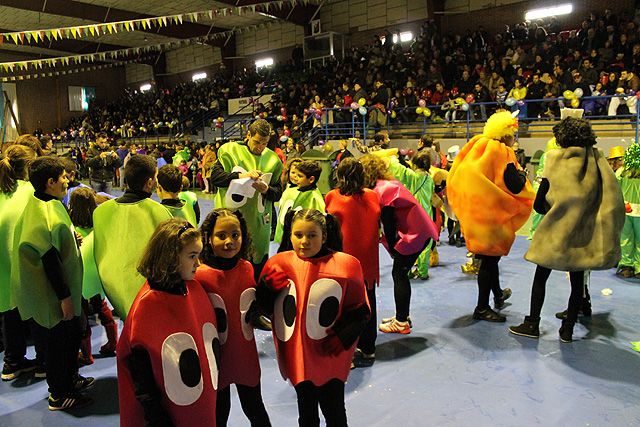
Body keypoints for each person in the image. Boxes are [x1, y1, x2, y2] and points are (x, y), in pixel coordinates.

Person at [509, 117, 624, 342]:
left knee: (541, 276)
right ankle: (568, 328)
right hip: (584, 236)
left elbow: (539, 204)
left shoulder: (555, 160)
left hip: (555, 234)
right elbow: (613, 201)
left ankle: (532, 323)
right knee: (576, 282)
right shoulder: (599, 163)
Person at [260, 209, 369, 427]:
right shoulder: (279, 264)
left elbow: (360, 309)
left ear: (324, 236)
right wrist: (267, 290)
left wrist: (343, 336)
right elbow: (262, 308)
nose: (304, 242)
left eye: (312, 235)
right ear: (289, 234)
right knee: (306, 411)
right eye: (298, 235)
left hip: (329, 355)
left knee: (334, 409)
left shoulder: (346, 265)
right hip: (298, 354)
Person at [117, 219, 219, 426]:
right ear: (171, 258)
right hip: (167, 414)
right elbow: (141, 375)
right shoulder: (148, 306)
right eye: (192, 256)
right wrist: (157, 418)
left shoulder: (193, 290)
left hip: (199, 404)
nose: (198, 264)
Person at [11, 156, 94, 411]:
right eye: (62, 177)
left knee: (71, 339)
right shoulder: (46, 213)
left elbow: (57, 240)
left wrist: (72, 237)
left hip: (58, 291)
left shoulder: (44, 203)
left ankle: (70, 379)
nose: (66, 180)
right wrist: (65, 297)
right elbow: (49, 261)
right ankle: (59, 394)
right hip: (52, 295)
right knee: (58, 345)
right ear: (50, 182)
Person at [448, 111, 535, 322]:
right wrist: (523, 174)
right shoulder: (502, 151)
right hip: (493, 214)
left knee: (489, 259)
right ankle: (481, 307)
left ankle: (497, 294)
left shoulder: (477, 145)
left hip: (478, 214)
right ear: (506, 134)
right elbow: (513, 183)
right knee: (489, 261)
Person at [196, 209, 271, 427]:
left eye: (235, 235)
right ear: (208, 239)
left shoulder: (247, 268)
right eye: (221, 236)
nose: (229, 241)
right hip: (215, 359)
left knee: (255, 408)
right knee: (219, 413)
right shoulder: (200, 276)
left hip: (245, 355)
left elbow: (252, 306)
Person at [360, 154, 439, 334]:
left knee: (399, 274)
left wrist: (396, 247)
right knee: (400, 274)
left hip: (414, 235)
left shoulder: (381, 190)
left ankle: (401, 321)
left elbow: (388, 222)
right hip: (420, 232)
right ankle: (402, 315)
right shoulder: (387, 184)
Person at [93, 154, 172, 318]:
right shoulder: (158, 211)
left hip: (113, 286)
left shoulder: (101, 211)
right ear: (150, 182)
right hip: (148, 292)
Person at [325, 158, 381, 367]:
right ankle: (368, 348)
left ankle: (346, 350)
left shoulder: (332, 197)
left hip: (343, 261)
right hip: (368, 261)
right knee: (368, 303)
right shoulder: (373, 196)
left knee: (344, 307)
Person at [210, 119, 283, 280]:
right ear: (248, 135)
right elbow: (215, 177)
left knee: (256, 267)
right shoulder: (230, 151)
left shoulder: (273, 160)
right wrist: (242, 176)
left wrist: (267, 190)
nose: (260, 147)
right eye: (257, 142)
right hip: (230, 219)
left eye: (264, 143)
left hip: (258, 224)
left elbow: (278, 193)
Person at [0, 145, 39, 381]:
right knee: (36, 311)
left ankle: (12, 362)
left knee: (10, 312)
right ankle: (45, 362)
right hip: (21, 261)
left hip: (2, 264)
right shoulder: (30, 191)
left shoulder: (3, 189)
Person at [67, 188, 118, 365]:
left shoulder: (71, 227)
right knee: (103, 308)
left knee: (82, 318)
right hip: (97, 276)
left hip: (79, 278)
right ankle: (113, 344)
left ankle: (87, 355)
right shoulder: (100, 224)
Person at [387, 151, 437, 280]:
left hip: (413, 214)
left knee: (408, 243)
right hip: (427, 214)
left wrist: (392, 158)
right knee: (425, 244)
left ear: (415, 164)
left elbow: (398, 170)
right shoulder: (430, 179)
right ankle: (423, 271)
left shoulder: (412, 176)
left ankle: (407, 270)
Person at [274, 160, 325, 243]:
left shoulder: (315, 197)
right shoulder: (300, 192)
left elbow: (318, 225)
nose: (296, 178)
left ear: (311, 179)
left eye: (300, 176)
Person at [617, 144, 640, 278]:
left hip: (625, 210)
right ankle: (639, 268)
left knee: (625, 239)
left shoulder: (622, 172)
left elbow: (614, 188)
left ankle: (627, 266)